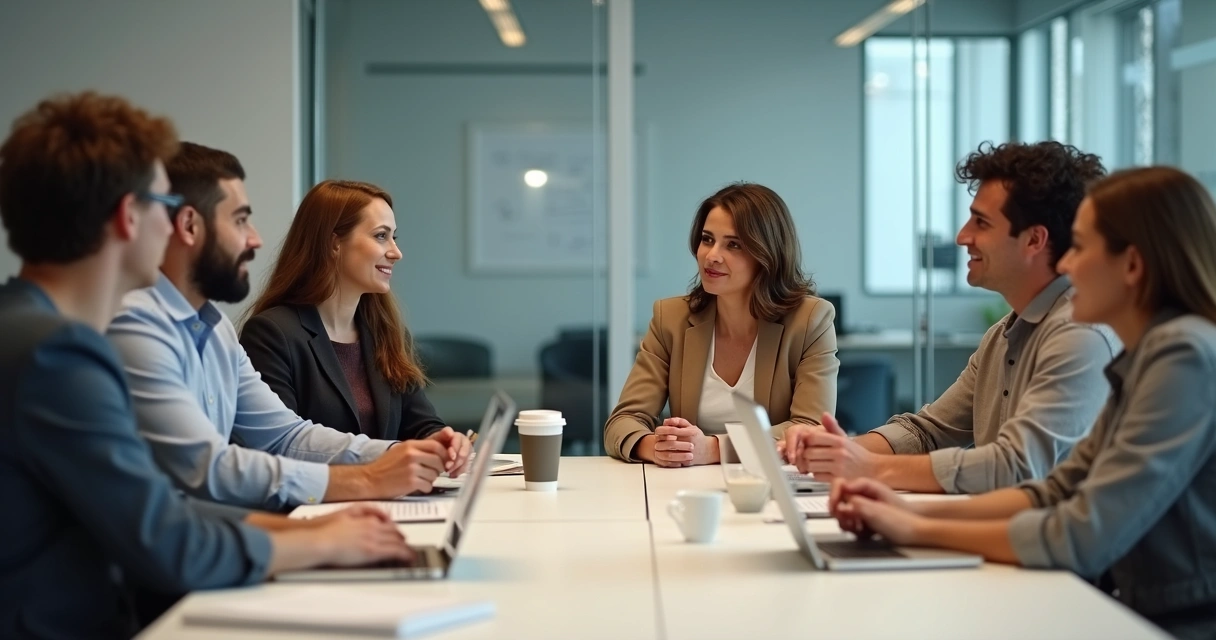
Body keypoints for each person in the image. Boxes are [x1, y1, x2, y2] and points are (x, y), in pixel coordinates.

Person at [0, 92, 412, 638]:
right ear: (130, 216)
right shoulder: (58, 353)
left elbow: (157, 510)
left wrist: (313, 528)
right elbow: (163, 537)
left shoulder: (33, 329)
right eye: (166, 206)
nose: (176, 228)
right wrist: (322, 539)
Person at [829, 166, 1216, 640]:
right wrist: (902, 511)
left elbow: (1079, 535)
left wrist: (912, 528)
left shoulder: (1183, 354)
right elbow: (1054, 492)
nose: (1067, 265)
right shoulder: (1144, 354)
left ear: (1132, 265)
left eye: (1079, 247)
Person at [107, 143, 468, 510]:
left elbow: (286, 436)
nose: (255, 238)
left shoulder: (214, 329)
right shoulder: (133, 326)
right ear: (188, 225)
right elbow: (207, 467)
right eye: (240, 220)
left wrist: (399, 454)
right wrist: (367, 479)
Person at [784, 141, 1118, 493]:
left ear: (1034, 240)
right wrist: (836, 451)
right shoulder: (1001, 337)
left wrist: (869, 467)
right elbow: (927, 431)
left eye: (981, 222)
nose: (962, 237)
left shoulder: (1080, 337)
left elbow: (1015, 466)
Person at [604, 182, 839, 466]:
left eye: (733, 244)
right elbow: (623, 421)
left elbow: (809, 428)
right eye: (707, 239)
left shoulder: (811, 320)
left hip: (771, 487)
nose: (712, 256)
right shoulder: (671, 318)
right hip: (687, 487)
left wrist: (714, 449)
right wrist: (655, 445)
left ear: (766, 255)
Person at [239, 180, 456, 446]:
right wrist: (391, 456)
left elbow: (420, 424)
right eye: (380, 236)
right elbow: (281, 445)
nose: (396, 252)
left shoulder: (386, 332)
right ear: (334, 243)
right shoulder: (272, 334)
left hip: (393, 489)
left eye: (394, 237)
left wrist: (443, 442)